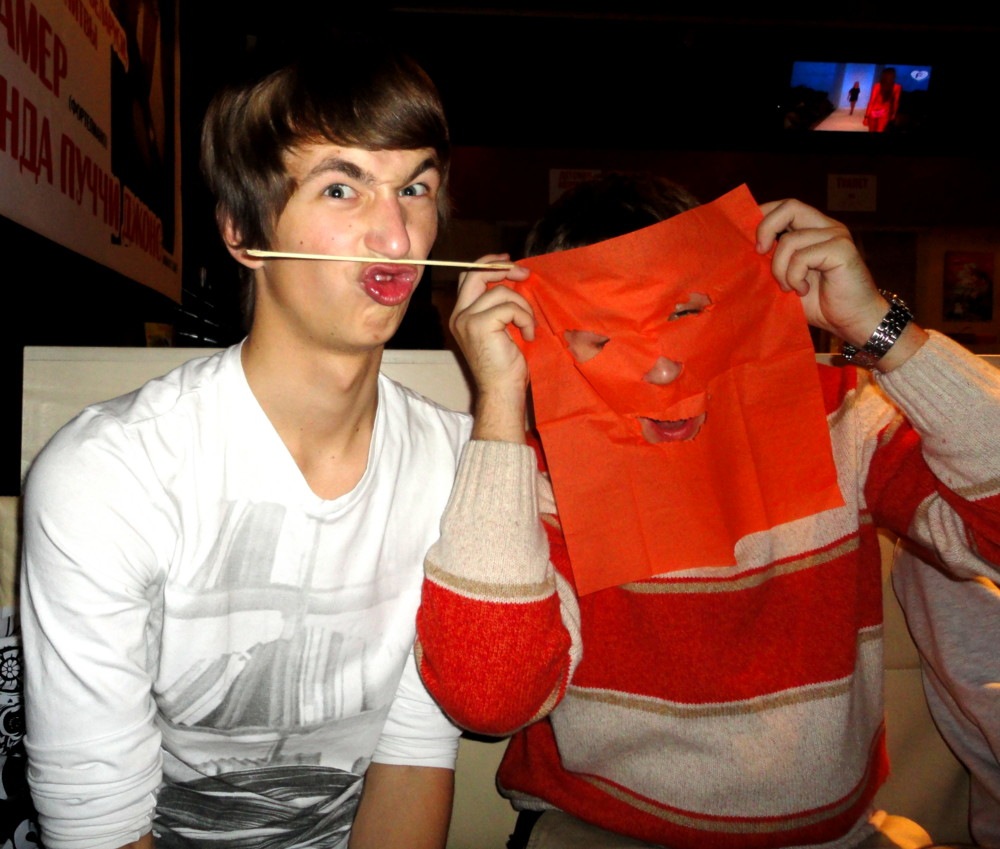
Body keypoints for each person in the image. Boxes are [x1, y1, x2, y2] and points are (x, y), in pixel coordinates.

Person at [415, 174, 1000, 848]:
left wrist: (879, 328)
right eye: (601, 336)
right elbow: (490, 699)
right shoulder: (546, 474)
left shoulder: (840, 419)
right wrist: (498, 401)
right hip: (601, 830)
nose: (663, 371)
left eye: (686, 313)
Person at [20, 41, 466, 849]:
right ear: (242, 233)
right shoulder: (112, 474)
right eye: (341, 188)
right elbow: (97, 823)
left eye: (415, 188)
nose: (398, 238)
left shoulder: (453, 463)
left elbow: (413, 758)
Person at [864, 68, 901, 132]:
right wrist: (894, 114)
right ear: (894, 76)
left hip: (874, 111)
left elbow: (871, 102)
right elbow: (896, 102)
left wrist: (866, 116)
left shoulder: (877, 86)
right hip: (885, 112)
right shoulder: (897, 87)